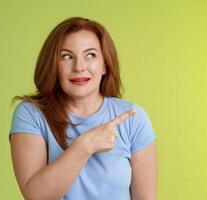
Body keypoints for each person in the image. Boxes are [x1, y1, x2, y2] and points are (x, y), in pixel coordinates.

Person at [9, 17, 157, 200]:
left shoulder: (134, 118)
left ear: (105, 65)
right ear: (54, 66)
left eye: (91, 55)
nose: (79, 67)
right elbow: (37, 197)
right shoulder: (31, 114)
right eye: (66, 56)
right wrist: (86, 145)